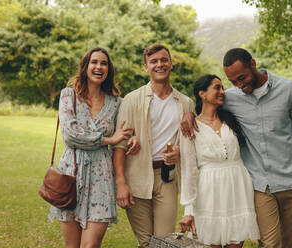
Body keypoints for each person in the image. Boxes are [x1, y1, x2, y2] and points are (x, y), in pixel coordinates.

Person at [181, 48, 292, 248]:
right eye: (232, 81)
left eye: (242, 78)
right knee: (270, 243)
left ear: (252, 64)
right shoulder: (230, 97)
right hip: (260, 184)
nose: (238, 85)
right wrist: (189, 113)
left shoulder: (289, 89)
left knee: (290, 242)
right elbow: (207, 107)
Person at [48, 47, 140, 248]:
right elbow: (70, 136)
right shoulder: (68, 96)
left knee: (90, 246)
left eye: (104, 63)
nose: (99, 67)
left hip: (102, 179)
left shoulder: (117, 103)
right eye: (94, 62)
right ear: (85, 67)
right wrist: (108, 140)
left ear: (109, 70)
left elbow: (124, 134)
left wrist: (132, 138)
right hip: (71, 176)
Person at [112, 44, 195, 248]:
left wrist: (179, 151)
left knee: (164, 242)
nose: (160, 64)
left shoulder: (186, 104)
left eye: (164, 60)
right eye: (154, 61)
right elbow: (120, 146)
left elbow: (193, 146)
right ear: (146, 67)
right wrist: (121, 182)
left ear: (171, 64)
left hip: (166, 177)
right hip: (136, 176)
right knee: (146, 242)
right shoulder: (131, 100)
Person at [179, 74, 260, 247]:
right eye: (217, 87)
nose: (223, 92)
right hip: (209, 193)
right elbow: (189, 170)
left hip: (237, 188)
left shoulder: (231, 120)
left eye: (223, 87)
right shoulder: (190, 127)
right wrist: (189, 210)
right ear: (202, 94)